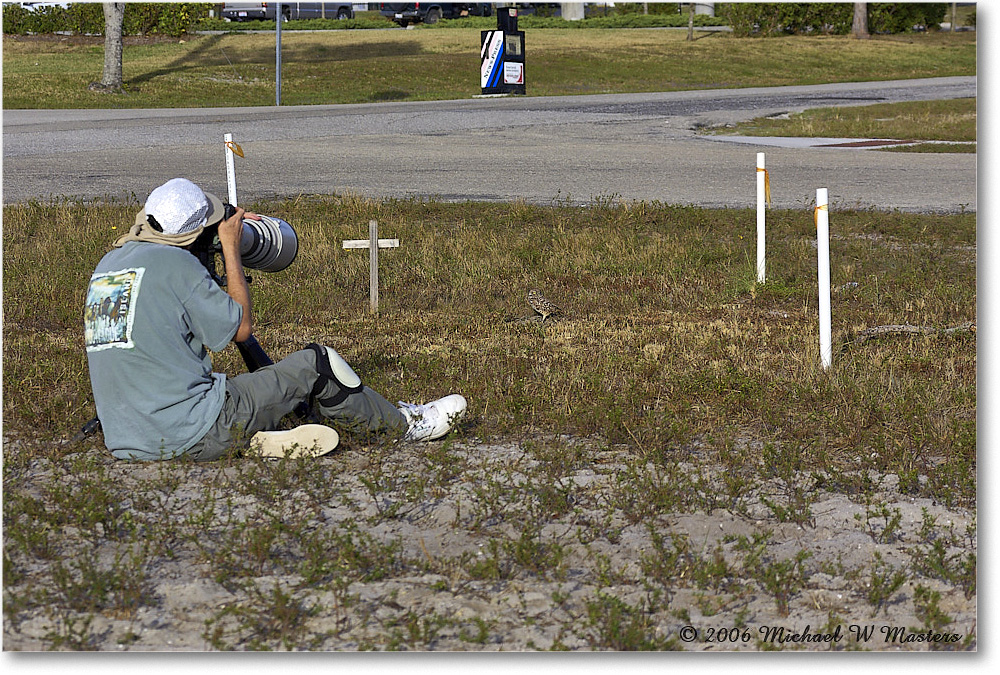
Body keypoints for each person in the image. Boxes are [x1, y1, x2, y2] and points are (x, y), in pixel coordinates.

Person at [83, 177, 466, 461]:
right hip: (189, 431)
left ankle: (254, 437)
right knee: (317, 363)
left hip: (129, 441)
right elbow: (241, 329)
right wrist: (231, 250)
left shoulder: (110, 264)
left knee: (222, 386)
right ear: (197, 235)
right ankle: (404, 428)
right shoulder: (177, 265)